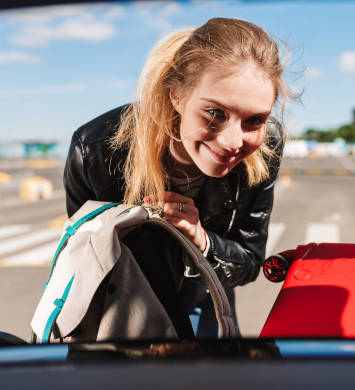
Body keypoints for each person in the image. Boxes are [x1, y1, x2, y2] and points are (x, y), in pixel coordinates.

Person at [63, 18, 291, 337]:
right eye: (214, 113)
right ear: (177, 97)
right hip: (122, 306)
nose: (232, 141)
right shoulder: (95, 150)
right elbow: (83, 256)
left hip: (204, 299)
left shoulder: (266, 146)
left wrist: (202, 242)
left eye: (254, 120)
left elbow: (250, 261)